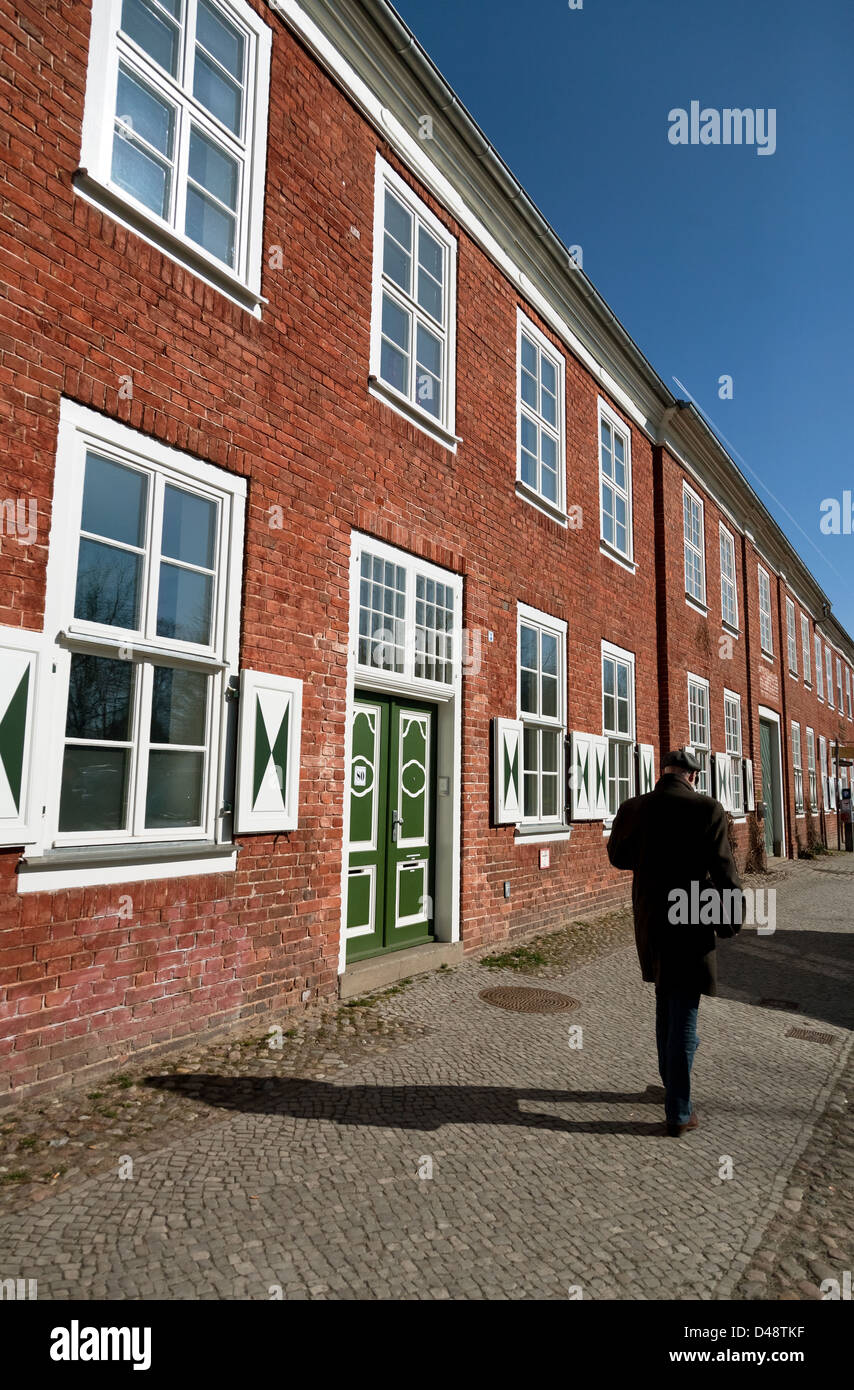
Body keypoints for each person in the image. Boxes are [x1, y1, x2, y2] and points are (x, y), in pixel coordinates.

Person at [606, 747, 744, 1136]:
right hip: (689, 915)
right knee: (684, 1010)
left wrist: (651, 855)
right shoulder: (708, 810)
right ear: (693, 776)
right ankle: (679, 1110)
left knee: (666, 1000)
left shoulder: (634, 808)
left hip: (650, 917)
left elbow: (619, 857)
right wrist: (730, 920)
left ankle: (671, 1085)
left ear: (662, 773)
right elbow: (723, 872)